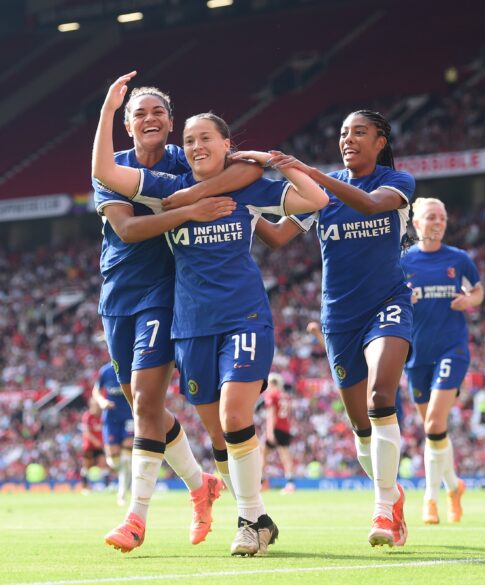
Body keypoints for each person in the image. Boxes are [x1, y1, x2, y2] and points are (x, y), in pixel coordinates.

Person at [92, 72, 329, 556]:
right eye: (140, 114)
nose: (152, 120)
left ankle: (145, 517)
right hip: (143, 305)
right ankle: (220, 496)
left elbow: (246, 172)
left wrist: (250, 166)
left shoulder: (188, 163)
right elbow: (120, 208)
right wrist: (183, 205)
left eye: (160, 113)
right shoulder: (152, 178)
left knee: (198, 411)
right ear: (129, 125)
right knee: (162, 412)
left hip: (195, 302)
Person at [254, 109, 415, 548]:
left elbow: (369, 203)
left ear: (381, 140)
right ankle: (393, 492)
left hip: (388, 304)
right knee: (362, 429)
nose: (348, 139)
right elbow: (276, 237)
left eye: (359, 132)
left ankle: (383, 511)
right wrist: (243, 202)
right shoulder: (319, 188)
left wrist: (310, 175)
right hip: (339, 318)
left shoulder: (397, 183)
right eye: (343, 133)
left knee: (382, 397)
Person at [400, 197, 484, 525]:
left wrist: (469, 300)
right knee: (434, 430)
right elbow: (389, 299)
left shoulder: (459, 259)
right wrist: (405, 298)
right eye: (431, 217)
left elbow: (478, 291)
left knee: (434, 423)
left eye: (442, 217)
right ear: (417, 223)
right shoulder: (404, 262)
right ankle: (454, 486)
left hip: (453, 349)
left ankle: (430, 500)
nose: (438, 222)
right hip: (417, 355)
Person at [92, 361, 134, 505]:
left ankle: (122, 493)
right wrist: (102, 402)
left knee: (127, 457)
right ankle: (126, 478)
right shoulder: (106, 371)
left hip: (129, 416)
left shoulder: (132, 367)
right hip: (110, 417)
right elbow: (96, 391)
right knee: (114, 460)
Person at [261, 373, 295, 494]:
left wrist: (270, 432)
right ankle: (290, 483)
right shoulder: (285, 396)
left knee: (263, 454)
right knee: (286, 457)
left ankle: (261, 482)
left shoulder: (272, 394)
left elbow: (271, 414)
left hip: (276, 428)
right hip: (285, 428)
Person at [80, 398, 108, 493]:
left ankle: (105, 486)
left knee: (103, 465)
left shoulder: (102, 416)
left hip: (100, 446)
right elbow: (86, 432)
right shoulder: (87, 416)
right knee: (87, 466)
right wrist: (96, 441)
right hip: (89, 446)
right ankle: (85, 488)